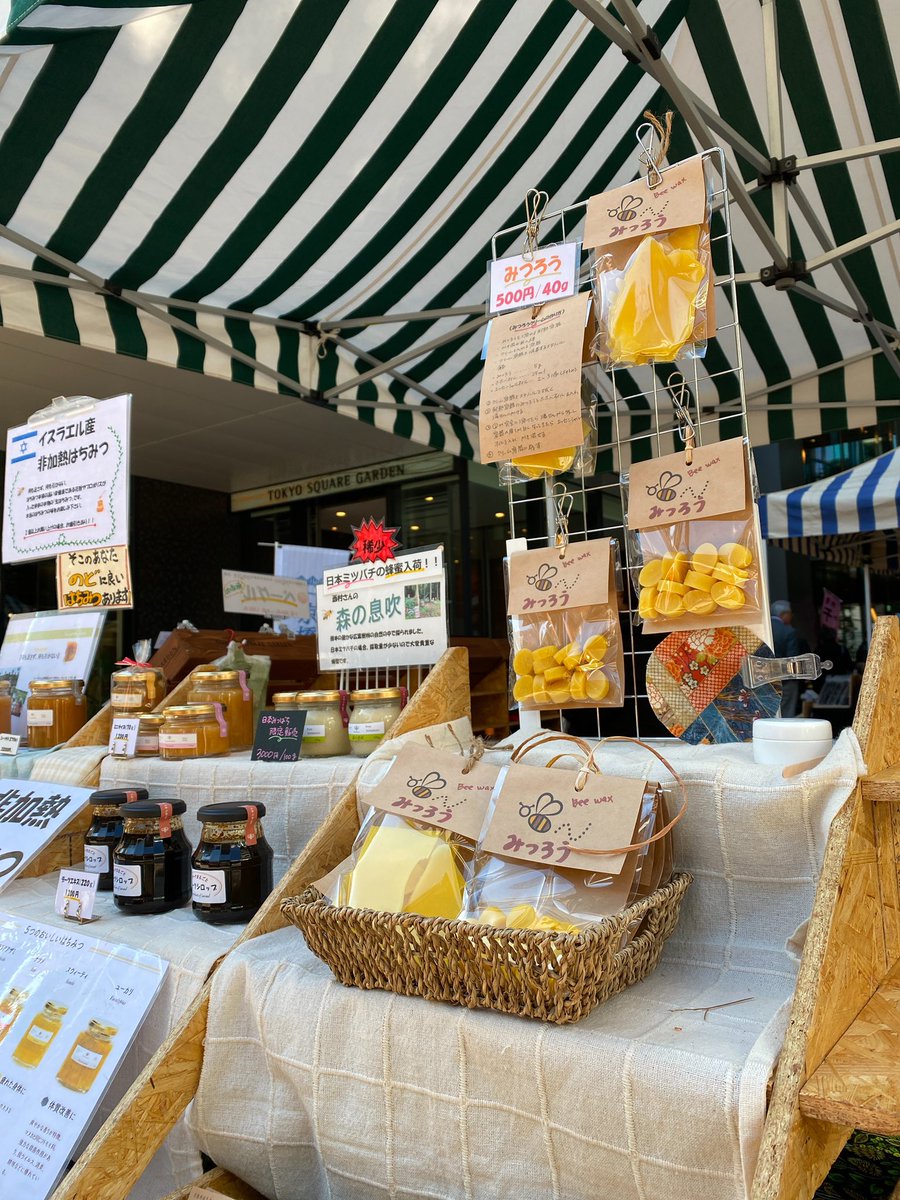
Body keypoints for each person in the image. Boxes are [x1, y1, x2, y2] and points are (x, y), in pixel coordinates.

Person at [771, 601, 802, 716]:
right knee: (787, 713)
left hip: (763, 679)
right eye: (790, 614)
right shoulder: (788, 631)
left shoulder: (763, 629)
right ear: (784, 614)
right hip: (786, 680)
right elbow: (792, 659)